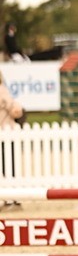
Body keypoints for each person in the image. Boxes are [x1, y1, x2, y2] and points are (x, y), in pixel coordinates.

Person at [0, 70, 25, 208]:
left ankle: (13, 198)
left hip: (6, 133)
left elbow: (15, 110)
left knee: (8, 166)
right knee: (7, 166)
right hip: (5, 133)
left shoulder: (2, 90)